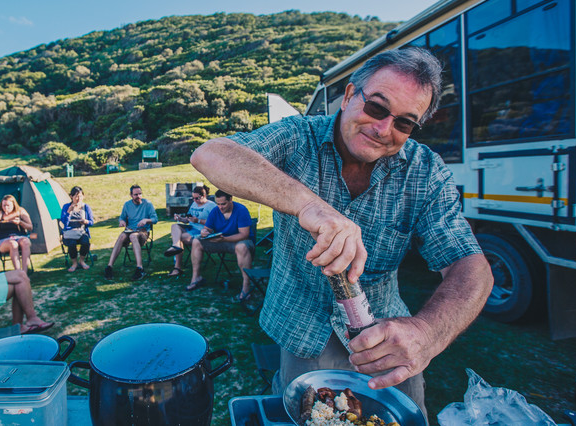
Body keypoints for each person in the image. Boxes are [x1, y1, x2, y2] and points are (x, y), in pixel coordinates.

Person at [190, 47, 493, 415]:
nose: (383, 129)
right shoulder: (298, 136)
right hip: (303, 327)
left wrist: (427, 333)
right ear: (349, 96)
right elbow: (212, 154)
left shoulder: (426, 172)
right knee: (308, 413)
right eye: (377, 108)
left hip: (385, 332)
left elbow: (471, 268)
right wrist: (310, 206)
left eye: (404, 123)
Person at [186, 190, 254, 298]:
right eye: (218, 204)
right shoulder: (215, 211)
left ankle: (246, 285)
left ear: (230, 200)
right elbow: (207, 228)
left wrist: (224, 239)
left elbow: (244, 234)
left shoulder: (241, 210)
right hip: (220, 240)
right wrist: (204, 232)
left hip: (238, 241)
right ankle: (196, 278)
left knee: (241, 247)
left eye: (223, 204)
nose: (220, 207)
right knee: (196, 241)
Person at [104, 185, 158, 282]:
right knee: (121, 236)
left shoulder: (147, 204)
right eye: (136, 194)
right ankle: (109, 266)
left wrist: (146, 220)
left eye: (140, 194)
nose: (138, 196)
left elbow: (155, 219)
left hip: (143, 231)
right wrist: (122, 221)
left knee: (133, 236)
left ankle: (140, 268)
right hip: (130, 229)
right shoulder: (127, 205)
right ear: (131, 195)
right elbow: (122, 217)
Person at [163, 185, 216, 277]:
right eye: (193, 198)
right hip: (191, 228)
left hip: (202, 232)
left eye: (197, 198)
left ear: (203, 196)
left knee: (180, 238)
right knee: (174, 226)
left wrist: (198, 221)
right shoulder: (194, 204)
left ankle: (177, 267)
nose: (194, 200)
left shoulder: (211, 206)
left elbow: (215, 223)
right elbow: (189, 219)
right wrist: (180, 219)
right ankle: (175, 246)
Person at [0, 195, 33, 273]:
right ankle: (18, 271)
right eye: (4, 205)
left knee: (25, 242)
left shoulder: (20, 211)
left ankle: (24, 272)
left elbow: (30, 227)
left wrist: (20, 222)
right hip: (4, 239)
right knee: (13, 244)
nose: (6, 208)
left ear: (13, 205)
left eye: (8, 205)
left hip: (20, 236)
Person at [60, 186, 95, 272]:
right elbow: (64, 222)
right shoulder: (66, 207)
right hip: (70, 233)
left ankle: (82, 261)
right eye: (76, 196)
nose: (78, 198)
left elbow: (91, 222)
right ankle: (74, 263)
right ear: (71, 196)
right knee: (72, 243)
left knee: (85, 242)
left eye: (80, 196)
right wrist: (69, 212)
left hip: (81, 231)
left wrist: (85, 221)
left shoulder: (86, 207)